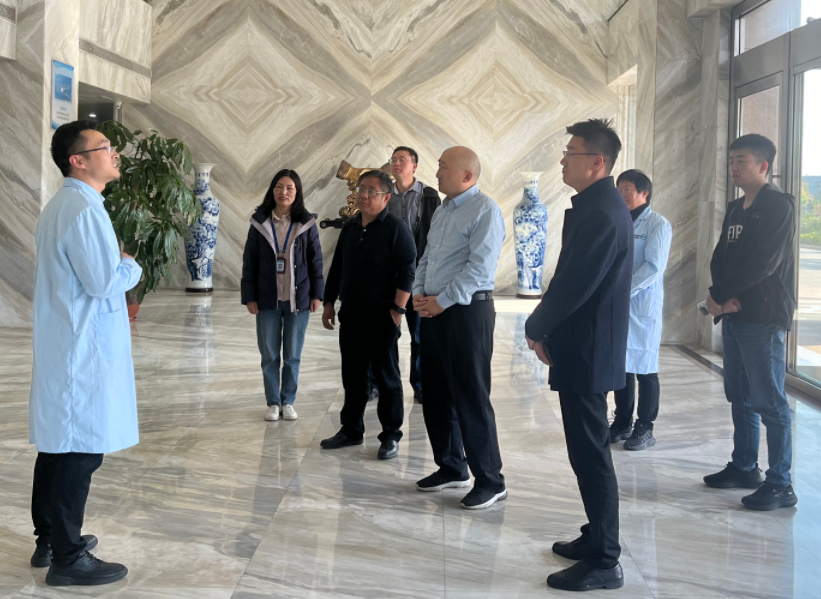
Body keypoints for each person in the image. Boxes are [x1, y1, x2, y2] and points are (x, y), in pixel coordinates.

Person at [29, 120, 142, 586]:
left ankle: (50, 539)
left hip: (70, 344)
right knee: (79, 452)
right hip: (82, 349)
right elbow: (104, 280)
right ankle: (68, 557)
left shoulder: (68, 204)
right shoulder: (82, 209)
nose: (114, 153)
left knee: (59, 445)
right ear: (78, 160)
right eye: (104, 147)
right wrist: (130, 266)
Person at [525, 118, 631, 591]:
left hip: (590, 348)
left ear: (598, 162)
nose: (563, 160)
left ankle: (605, 559)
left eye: (572, 153)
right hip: (583, 344)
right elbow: (569, 276)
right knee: (585, 450)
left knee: (591, 453)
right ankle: (596, 535)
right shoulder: (595, 206)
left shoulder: (604, 212)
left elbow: (576, 284)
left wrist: (536, 325)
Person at [703, 133, 798, 512]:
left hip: (763, 316)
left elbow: (764, 263)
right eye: (731, 160)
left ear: (763, 165)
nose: (733, 167)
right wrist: (719, 297)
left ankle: (780, 483)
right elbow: (720, 257)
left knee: (769, 401)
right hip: (734, 312)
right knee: (739, 395)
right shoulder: (735, 207)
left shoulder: (778, 205)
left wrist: (720, 296)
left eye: (741, 160)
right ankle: (744, 466)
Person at [413, 146, 507, 510]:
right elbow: (427, 257)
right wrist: (420, 292)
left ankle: (491, 480)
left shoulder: (485, 210)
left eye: (443, 167)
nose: (437, 172)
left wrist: (443, 300)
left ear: (467, 175)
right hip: (433, 310)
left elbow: (480, 269)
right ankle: (452, 467)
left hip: (467, 313)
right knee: (435, 393)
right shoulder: (442, 210)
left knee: (471, 396)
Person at [321, 170, 416, 460]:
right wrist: (328, 303)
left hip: (382, 316)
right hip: (351, 314)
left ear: (386, 198)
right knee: (353, 376)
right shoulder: (351, 226)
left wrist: (398, 309)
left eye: (372, 191)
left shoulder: (396, 228)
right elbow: (338, 267)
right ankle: (351, 429)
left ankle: (391, 435)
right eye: (362, 189)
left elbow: (408, 270)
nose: (364, 195)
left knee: (387, 378)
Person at [241, 169, 324, 422]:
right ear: (272, 190)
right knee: (269, 355)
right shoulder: (259, 223)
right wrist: (249, 296)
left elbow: (316, 261)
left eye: (289, 188)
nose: (284, 192)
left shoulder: (306, 223)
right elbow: (250, 261)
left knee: (292, 355)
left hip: (298, 299)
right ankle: (273, 403)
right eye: (279, 186)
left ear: (297, 192)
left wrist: (317, 294)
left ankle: (288, 401)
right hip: (267, 299)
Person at [610, 169, 672, 450]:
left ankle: (645, 426)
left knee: (646, 368)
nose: (622, 194)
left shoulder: (658, 224)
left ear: (644, 193)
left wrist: (624, 290)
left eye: (628, 189)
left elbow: (654, 267)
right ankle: (622, 421)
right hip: (619, 303)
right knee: (622, 365)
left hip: (641, 304)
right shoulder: (618, 221)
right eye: (619, 189)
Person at [385, 146, 441, 404]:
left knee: (420, 335)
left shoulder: (429, 196)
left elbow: (437, 235)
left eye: (402, 159)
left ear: (414, 166)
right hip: (390, 275)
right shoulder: (385, 194)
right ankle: (383, 383)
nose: (397, 163)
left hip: (420, 276)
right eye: (394, 159)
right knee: (386, 333)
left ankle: (420, 385)